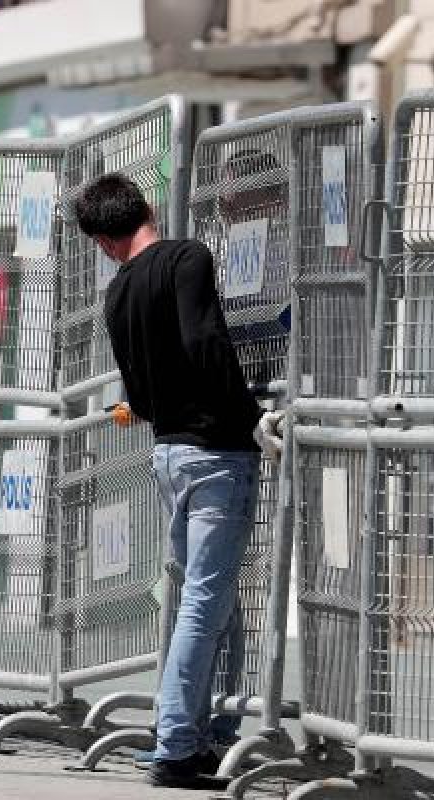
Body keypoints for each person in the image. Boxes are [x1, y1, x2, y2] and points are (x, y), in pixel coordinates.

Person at [73, 173, 282, 790]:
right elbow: (206, 341)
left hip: (167, 451)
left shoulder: (115, 295)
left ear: (105, 241)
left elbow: (136, 395)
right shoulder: (188, 258)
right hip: (218, 451)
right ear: (147, 209)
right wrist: (252, 421)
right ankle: (177, 743)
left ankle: (212, 729)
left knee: (212, 597)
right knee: (204, 600)